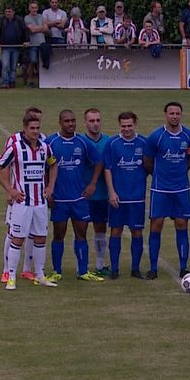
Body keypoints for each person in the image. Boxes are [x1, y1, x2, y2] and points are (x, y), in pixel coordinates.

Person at [0, 114, 58, 291]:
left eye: (38, 128)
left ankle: (40, 275)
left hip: (40, 203)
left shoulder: (45, 147)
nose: (35, 131)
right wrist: (10, 189)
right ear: (25, 128)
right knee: (18, 239)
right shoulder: (15, 148)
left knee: (41, 238)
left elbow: (53, 165)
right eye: (32, 128)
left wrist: (50, 186)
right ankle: (11, 276)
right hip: (22, 203)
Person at [46, 109, 105, 283]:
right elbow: (44, 168)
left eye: (73, 121)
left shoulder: (82, 142)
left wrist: (93, 183)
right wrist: (47, 190)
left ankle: (83, 271)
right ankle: (57, 271)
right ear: (60, 122)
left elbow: (99, 161)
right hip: (59, 200)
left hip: (79, 199)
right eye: (67, 121)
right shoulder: (51, 142)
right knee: (58, 235)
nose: (71, 124)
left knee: (81, 234)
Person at [143, 102, 190, 279]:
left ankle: (183, 267)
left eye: (177, 113)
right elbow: (147, 160)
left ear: (181, 115)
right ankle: (153, 268)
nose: (174, 116)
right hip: (160, 189)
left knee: (182, 225)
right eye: (171, 113)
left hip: (181, 188)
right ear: (165, 115)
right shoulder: (156, 136)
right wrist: (159, 176)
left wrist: (179, 174)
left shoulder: (188, 136)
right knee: (156, 225)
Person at [103, 111, 150, 279]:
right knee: (116, 231)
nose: (126, 129)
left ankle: (135, 269)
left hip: (137, 197)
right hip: (118, 197)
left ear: (135, 125)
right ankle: (114, 269)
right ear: (119, 126)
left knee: (137, 232)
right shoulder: (112, 143)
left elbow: (150, 166)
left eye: (129, 125)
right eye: (123, 126)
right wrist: (112, 192)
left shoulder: (144, 142)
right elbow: (107, 169)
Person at [82, 108, 112, 275]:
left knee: (100, 230)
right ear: (85, 122)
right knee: (81, 231)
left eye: (98, 120)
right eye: (91, 121)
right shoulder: (79, 140)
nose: (95, 124)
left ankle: (100, 265)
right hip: (83, 195)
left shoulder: (108, 141)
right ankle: (82, 266)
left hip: (102, 194)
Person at [0, 5, 27, 89]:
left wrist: (26, 40)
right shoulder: (2, 20)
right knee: (5, 65)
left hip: (15, 46)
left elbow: (24, 30)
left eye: (9, 12)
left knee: (13, 66)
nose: (7, 13)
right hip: (5, 47)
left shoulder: (19, 20)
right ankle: (4, 82)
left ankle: (12, 82)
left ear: (13, 12)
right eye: (6, 12)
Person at [23, 1, 47, 86]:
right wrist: (41, 28)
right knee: (32, 61)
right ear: (29, 8)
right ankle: (30, 80)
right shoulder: (26, 18)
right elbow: (31, 30)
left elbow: (46, 29)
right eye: (32, 8)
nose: (34, 9)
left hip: (42, 43)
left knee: (41, 62)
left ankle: (42, 81)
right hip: (33, 43)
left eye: (35, 8)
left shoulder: (41, 16)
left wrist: (36, 28)